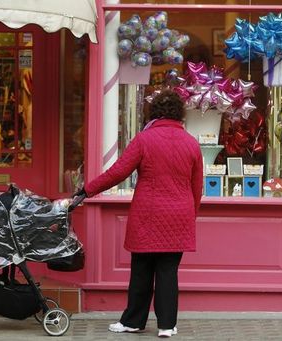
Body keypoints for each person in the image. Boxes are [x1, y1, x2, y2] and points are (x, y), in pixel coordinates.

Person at [70, 90, 203, 338]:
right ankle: (166, 325)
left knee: (142, 269)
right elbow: (197, 187)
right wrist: (190, 216)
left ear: (154, 113)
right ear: (180, 114)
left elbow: (118, 173)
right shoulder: (192, 143)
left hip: (148, 214)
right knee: (168, 271)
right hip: (179, 214)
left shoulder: (144, 140)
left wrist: (87, 190)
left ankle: (133, 321)